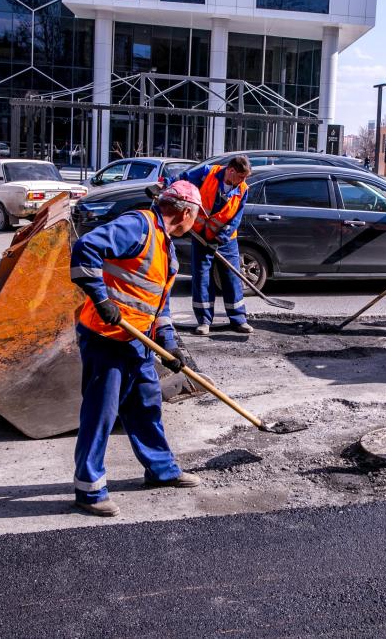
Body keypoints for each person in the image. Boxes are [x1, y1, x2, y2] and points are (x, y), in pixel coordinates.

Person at [69, 181, 203, 517]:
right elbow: (85, 247)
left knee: (146, 406)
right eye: (196, 216)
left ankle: (161, 470)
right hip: (107, 337)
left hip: (137, 341)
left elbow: (158, 302)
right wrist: (100, 298)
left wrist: (168, 343)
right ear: (186, 212)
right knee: (101, 412)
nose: (195, 223)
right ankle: (89, 489)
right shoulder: (139, 225)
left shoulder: (166, 245)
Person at [177, 156, 253, 335]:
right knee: (202, 278)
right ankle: (204, 321)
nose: (243, 181)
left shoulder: (242, 189)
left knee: (232, 277)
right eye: (241, 177)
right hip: (201, 236)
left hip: (226, 240)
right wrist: (163, 185)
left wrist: (221, 238)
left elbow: (235, 218)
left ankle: (238, 319)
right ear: (231, 171)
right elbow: (181, 180)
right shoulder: (206, 174)